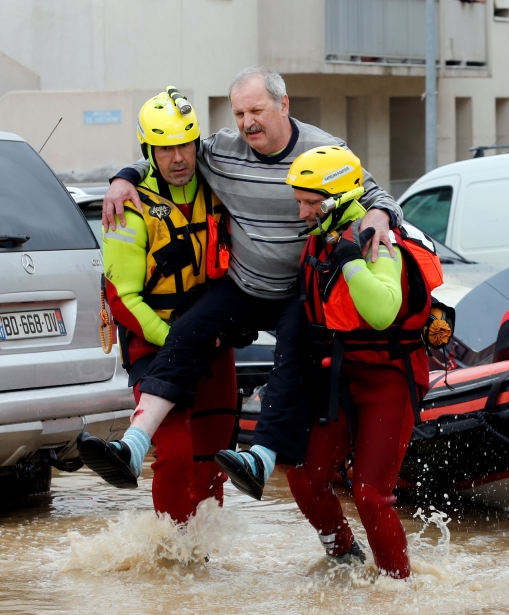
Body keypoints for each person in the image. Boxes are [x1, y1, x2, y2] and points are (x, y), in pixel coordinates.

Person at [93, 67, 403, 498]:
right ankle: (133, 444)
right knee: (189, 330)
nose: (247, 122)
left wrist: (381, 214)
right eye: (239, 113)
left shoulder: (325, 149)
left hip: (297, 290)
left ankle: (262, 457)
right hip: (243, 285)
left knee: (292, 354)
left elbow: (375, 194)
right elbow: (167, 155)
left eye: (256, 110)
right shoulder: (220, 151)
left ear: (284, 104)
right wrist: (122, 178)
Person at [281, 146, 445, 578]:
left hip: (389, 377)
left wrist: (352, 262)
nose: (301, 213)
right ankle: (345, 558)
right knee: (304, 477)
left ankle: (398, 592)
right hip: (339, 376)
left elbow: (381, 311)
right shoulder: (324, 237)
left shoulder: (376, 241)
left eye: (309, 203)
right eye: (299, 202)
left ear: (335, 200)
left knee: (371, 494)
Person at [76, 88, 236, 523]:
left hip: (215, 339)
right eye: (166, 148)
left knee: (214, 459)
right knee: (176, 456)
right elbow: (122, 298)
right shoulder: (128, 207)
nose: (178, 157)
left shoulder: (219, 186)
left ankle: (201, 560)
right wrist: (176, 342)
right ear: (149, 150)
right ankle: (171, 557)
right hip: (156, 341)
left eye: (185, 144)